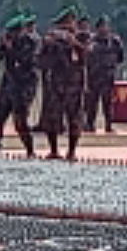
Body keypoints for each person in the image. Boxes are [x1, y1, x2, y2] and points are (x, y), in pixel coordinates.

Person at [35, 11, 88, 161]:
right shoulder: (51, 40)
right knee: (52, 118)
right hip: (55, 84)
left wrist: (74, 44)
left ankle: (71, 151)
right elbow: (40, 61)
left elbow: (88, 56)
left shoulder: (82, 37)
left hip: (74, 85)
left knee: (74, 118)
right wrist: (49, 45)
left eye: (70, 23)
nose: (67, 28)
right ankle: (54, 150)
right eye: (63, 25)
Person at [0, 14, 41, 158]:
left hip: (25, 85)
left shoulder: (30, 42)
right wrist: (2, 46)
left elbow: (26, 61)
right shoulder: (9, 42)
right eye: (10, 32)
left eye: (14, 32)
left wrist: (10, 48)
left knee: (20, 120)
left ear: (21, 30)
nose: (11, 35)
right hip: (8, 83)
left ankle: (30, 151)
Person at [83, 17, 126, 134]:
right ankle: (90, 124)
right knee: (92, 102)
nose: (104, 29)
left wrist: (111, 65)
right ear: (97, 28)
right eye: (102, 26)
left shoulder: (115, 41)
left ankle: (109, 124)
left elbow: (120, 57)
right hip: (94, 76)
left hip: (108, 75)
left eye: (106, 26)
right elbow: (85, 56)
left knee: (108, 102)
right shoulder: (91, 41)